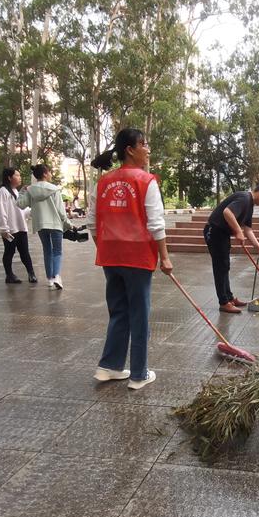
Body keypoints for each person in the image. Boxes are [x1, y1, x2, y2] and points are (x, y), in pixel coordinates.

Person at [86, 128, 172, 390]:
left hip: (110, 256)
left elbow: (91, 222)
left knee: (119, 311)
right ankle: (138, 374)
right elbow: (156, 224)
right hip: (137, 256)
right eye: (144, 144)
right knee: (139, 314)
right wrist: (165, 258)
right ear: (130, 150)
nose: (148, 149)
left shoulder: (103, 182)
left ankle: (108, 367)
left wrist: (105, 247)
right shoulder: (146, 181)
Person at [204, 183, 259, 313]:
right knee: (220, 266)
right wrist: (237, 231)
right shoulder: (244, 198)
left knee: (225, 266)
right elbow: (228, 212)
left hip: (222, 233)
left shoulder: (250, 205)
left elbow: (248, 229)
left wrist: (258, 248)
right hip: (214, 231)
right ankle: (224, 302)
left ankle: (229, 298)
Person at [19, 163, 73, 289]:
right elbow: (61, 211)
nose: (50, 174)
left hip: (40, 225)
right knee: (57, 251)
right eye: (49, 172)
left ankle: (49, 279)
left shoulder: (30, 190)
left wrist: (22, 191)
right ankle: (57, 276)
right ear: (44, 173)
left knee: (47, 250)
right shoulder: (54, 189)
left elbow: (20, 204)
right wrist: (69, 224)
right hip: (55, 224)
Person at [0, 167, 36, 284]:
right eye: (17, 175)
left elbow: (22, 210)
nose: (19, 177)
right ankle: (9, 275)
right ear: (9, 177)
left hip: (21, 227)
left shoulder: (16, 191)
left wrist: (33, 210)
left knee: (24, 252)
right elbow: (1, 211)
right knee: (9, 252)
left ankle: (31, 273)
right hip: (10, 229)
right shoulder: (3, 192)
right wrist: (4, 229)